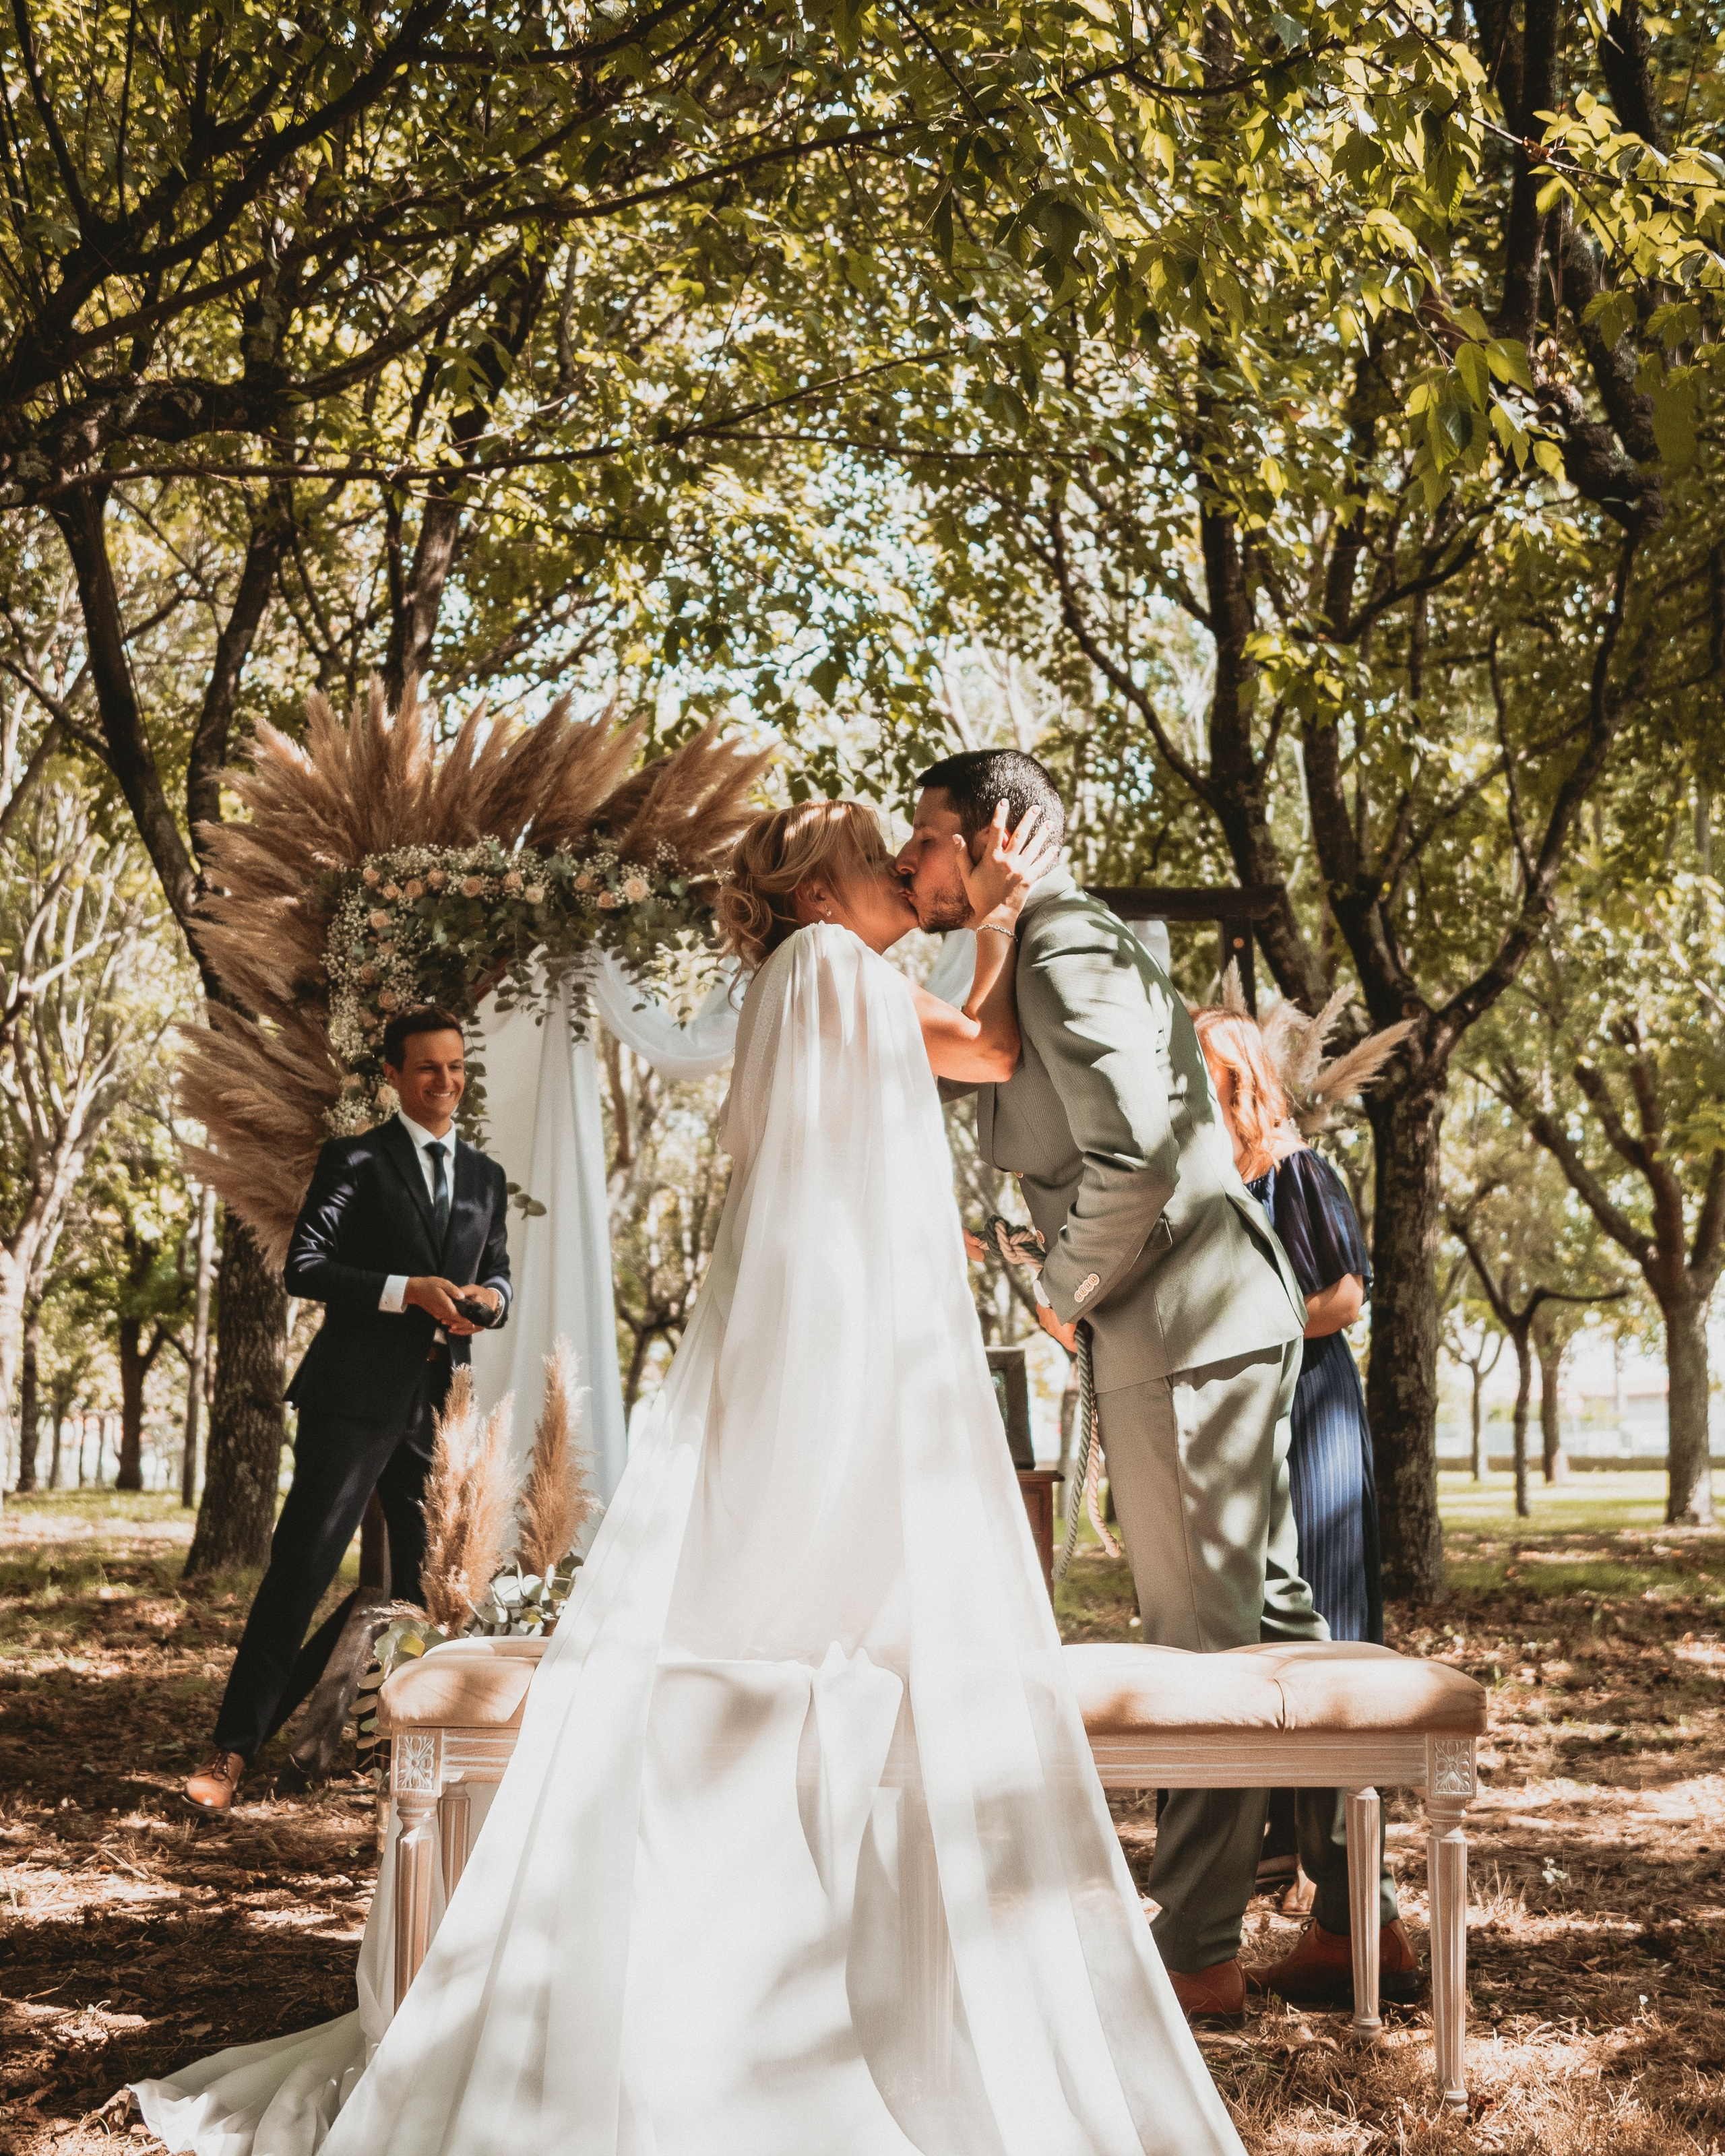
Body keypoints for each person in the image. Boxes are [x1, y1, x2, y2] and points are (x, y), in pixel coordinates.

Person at [136, 798, 1249, 2156]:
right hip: (847, 1320)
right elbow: (991, 1044)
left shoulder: (810, 974)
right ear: (810, 882)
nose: (901, 859)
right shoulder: (837, 969)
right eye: (872, 847)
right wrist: (1003, 910)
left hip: (812, 1310)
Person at [896, 749, 1326, 2027]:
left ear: (997, 838)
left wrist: (1058, 1291)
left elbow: (1137, 1158)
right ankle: (1362, 1918)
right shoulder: (1040, 942)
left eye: (926, 835)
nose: (911, 858)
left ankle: (1197, 1946)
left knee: (1201, 1652)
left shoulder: (1058, 942)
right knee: (1276, 1625)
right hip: (1206, 1324)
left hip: (1184, 1331)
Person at [183, 1006, 513, 1818]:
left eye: (457, 1066)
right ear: (394, 1076)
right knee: (300, 1569)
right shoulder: (356, 1158)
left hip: (441, 1404)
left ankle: (378, 1739)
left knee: (417, 1588)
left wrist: (488, 1303)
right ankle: (231, 1749)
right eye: (428, 1068)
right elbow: (306, 1265)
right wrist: (408, 1293)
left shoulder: (484, 1177)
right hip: (352, 1398)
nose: (447, 1082)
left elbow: (499, 1272)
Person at [1193, 1006, 1418, 2004]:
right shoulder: (1215, 1187)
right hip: (1252, 1422)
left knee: (1321, 1652)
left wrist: (1242, 1334)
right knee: (1261, 1662)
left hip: (1308, 1417)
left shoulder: (1295, 1172)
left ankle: (1363, 1927)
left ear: (1235, 1077)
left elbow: (1341, 1296)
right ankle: (1337, 1919)